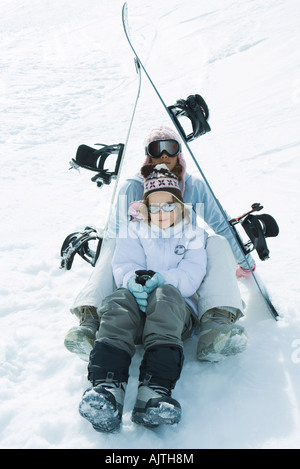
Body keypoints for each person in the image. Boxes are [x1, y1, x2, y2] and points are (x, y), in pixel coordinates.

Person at [65, 125, 253, 362]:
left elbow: (221, 225)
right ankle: (91, 324)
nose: (164, 155)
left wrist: (246, 262)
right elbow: (113, 237)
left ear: (179, 153)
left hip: (180, 281)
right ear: (148, 155)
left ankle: (215, 329)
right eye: (157, 149)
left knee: (216, 242)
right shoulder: (133, 187)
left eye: (170, 147)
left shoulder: (194, 187)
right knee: (113, 244)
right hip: (136, 280)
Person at [79, 163, 207, 432]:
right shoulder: (133, 230)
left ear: (180, 206)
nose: (162, 213)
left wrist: (160, 279)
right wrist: (132, 281)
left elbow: (192, 275)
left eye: (168, 206)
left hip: (173, 316)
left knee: (166, 294)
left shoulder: (193, 234)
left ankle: (154, 392)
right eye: (155, 207)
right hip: (136, 314)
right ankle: (107, 390)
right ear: (145, 208)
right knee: (118, 301)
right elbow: (123, 264)